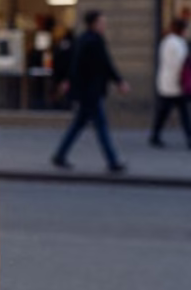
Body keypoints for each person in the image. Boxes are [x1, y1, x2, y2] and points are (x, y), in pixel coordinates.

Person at [51, 10, 130, 172]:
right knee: (101, 127)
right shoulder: (94, 41)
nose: (104, 25)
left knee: (79, 124)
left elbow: (74, 65)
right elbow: (106, 64)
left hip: (85, 91)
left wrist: (69, 82)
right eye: (102, 22)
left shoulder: (81, 39)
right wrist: (119, 81)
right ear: (94, 23)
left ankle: (60, 154)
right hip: (91, 92)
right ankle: (113, 161)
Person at [149, 17, 191, 148]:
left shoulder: (168, 41)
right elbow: (180, 63)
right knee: (179, 113)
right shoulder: (175, 43)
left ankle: (155, 136)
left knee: (166, 112)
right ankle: (156, 136)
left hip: (169, 83)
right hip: (175, 84)